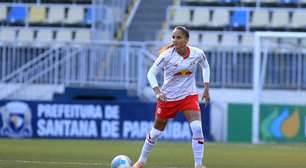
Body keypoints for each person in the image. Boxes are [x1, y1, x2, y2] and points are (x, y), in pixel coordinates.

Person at [133, 26, 210, 168]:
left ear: (186, 40)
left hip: (189, 96)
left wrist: (206, 88)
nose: (175, 40)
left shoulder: (197, 53)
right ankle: (141, 161)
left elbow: (205, 66)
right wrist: (157, 91)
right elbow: (151, 73)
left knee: (197, 128)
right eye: (173, 37)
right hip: (168, 98)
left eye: (178, 37)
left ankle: (198, 166)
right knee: (156, 133)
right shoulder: (166, 55)